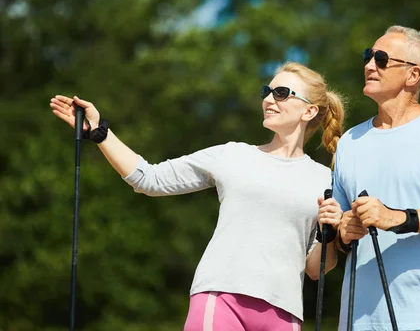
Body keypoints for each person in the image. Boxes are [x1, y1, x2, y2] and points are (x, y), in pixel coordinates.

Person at [49, 61, 345, 331]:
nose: (268, 99)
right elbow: (149, 179)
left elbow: (317, 268)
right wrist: (100, 133)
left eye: (281, 93)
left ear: (309, 111)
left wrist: (329, 236)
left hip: (284, 313)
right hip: (220, 297)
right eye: (267, 91)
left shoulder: (323, 179)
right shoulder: (232, 155)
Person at [319, 25, 420, 331]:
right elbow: (338, 239)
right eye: (369, 56)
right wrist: (343, 230)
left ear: (413, 76)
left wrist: (395, 217)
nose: (368, 65)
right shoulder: (351, 141)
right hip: (356, 320)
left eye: (381, 58)